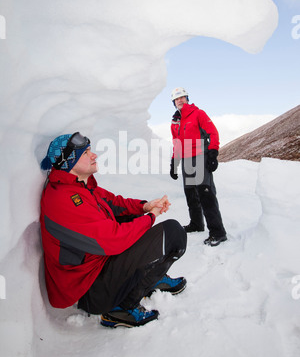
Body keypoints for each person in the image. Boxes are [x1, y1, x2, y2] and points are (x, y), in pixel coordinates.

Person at [40, 132, 187, 328]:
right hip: (90, 289)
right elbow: (114, 238)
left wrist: (145, 207)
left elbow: (115, 203)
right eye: (85, 153)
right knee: (172, 233)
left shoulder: (79, 188)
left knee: (131, 219)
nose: (94, 155)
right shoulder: (64, 200)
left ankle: (150, 277)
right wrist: (151, 216)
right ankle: (121, 309)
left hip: (97, 268)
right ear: (69, 162)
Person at [170, 87, 227, 246]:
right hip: (187, 160)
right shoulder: (175, 122)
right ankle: (196, 224)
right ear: (173, 103)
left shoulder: (198, 113)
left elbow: (213, 132)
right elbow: (177, 144)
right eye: (176, 99)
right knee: (191, 194)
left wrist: (213, 152)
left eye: (182, 97)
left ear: (187, 98)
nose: (180, 100)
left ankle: (218, 232)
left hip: (200, 157)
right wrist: (174, 163)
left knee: (205, 194)